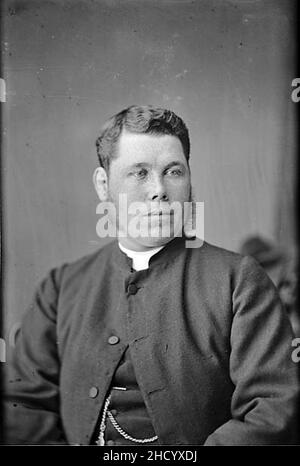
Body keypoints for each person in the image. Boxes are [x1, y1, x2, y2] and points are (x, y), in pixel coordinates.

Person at [3, 105, 299, 445]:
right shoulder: (61, 288)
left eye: (173, 171)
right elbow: (23, 407)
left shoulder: (238, 282)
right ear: (104, 185)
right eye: (139, 173)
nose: (159, 189)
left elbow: (271, 409)